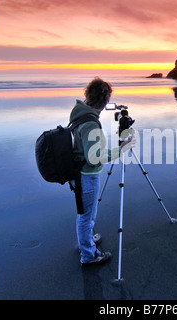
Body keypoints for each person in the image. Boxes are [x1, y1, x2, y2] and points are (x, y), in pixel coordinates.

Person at [69, 77, 135, 265]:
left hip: (79, 172)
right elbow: (94, 157)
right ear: (105, 100)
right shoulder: (90, 123)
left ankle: (86, 240)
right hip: (86, 176)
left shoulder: (79, 113)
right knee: (86, 215)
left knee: (86, 213)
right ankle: (89, 255)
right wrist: (121, 149)